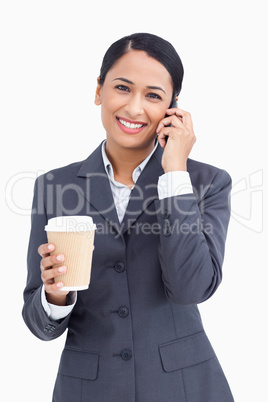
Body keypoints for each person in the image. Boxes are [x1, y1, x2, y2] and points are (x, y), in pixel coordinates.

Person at [22, 33, 234, 402]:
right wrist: (55, 295)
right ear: (99, 91)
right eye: (122, 87)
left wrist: (175, 175)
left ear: (173, 108)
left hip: (183, 388)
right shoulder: (53, 186)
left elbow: (189, 289)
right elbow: (40, 325)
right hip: (88, 388)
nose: (135, 108)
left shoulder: (206, 183)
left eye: (153, 95)